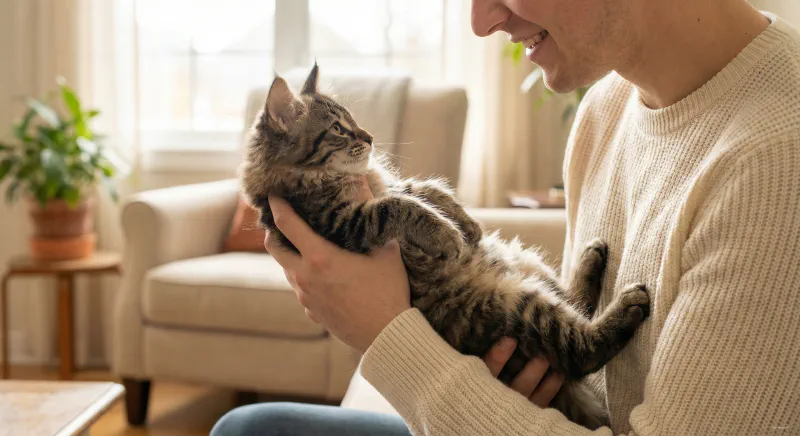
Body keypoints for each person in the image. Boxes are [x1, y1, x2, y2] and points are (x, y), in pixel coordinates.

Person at [211, 0, 800, 434]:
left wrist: (386, 336)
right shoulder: (605, 109)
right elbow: (582, 376)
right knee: (249, 428)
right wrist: (514, 396)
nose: (481, 19)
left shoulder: (775, 162)